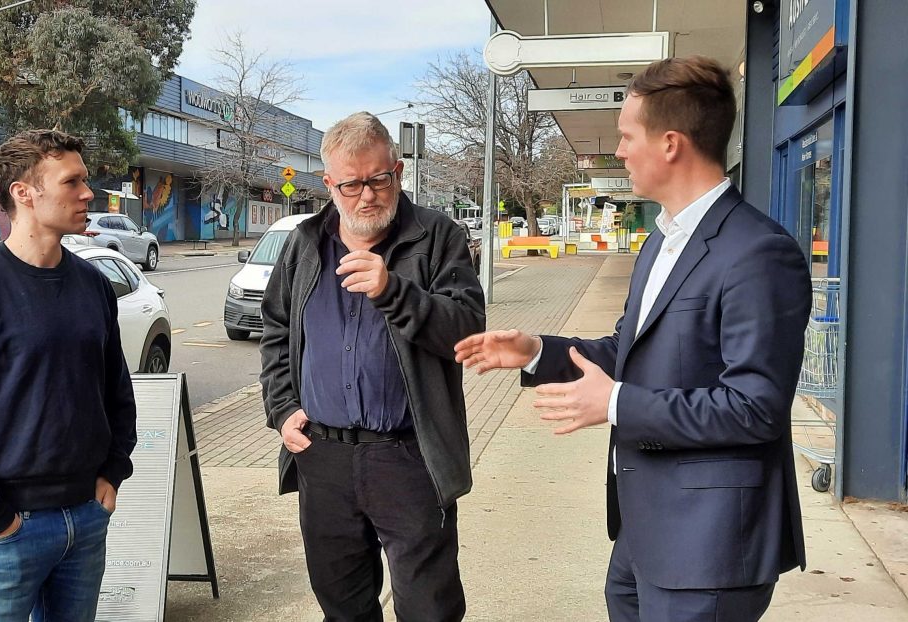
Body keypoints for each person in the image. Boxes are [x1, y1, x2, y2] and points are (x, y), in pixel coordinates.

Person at [455, 56, 811, 622]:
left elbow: (756, 408)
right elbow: (628, 350)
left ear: (671, 144)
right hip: (644, 534)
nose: (618, 151)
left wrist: (617, 403)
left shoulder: (759, 252)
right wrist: (538, 351)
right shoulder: (659, 242)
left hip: (708, 549)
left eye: (626, 136)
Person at [259, 111, 486, 621]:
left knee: (430, 608)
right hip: (323, 457)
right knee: (342, 606)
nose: (367, 195)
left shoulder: (437, 237)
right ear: (329, 183)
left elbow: (468, 329)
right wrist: (282, 407)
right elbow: (275, 330)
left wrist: (392, 290)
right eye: (352, 184)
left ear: (399, 171)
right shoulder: (304, 243)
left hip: (409, 456)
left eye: (379, 179)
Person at [0, 129, 137, 621]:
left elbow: (116, 391)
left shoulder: (94, 286)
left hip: (86, 515)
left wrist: (111, 472)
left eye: (86, 180)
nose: (88, 193)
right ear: (23, 193)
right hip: (7, 531)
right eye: (72, 182)